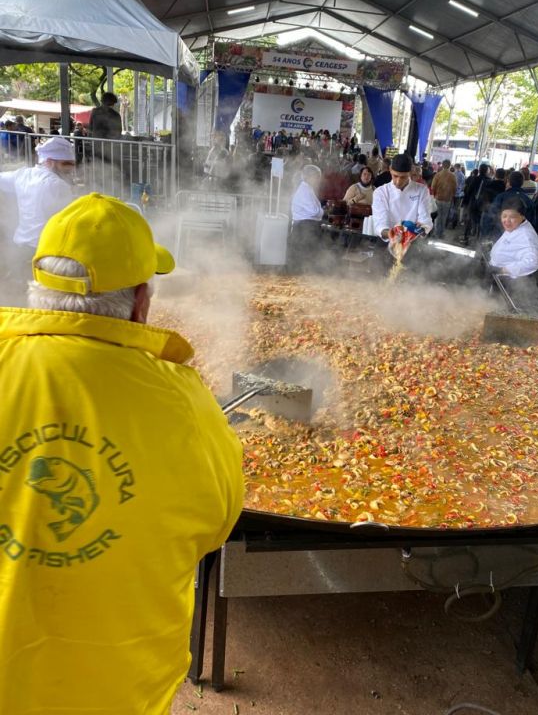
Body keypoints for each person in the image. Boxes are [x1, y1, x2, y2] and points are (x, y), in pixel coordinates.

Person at [0, 193, 244, 715]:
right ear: (140, 301)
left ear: (38, 287)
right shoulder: (185, 404)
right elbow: (217, 523)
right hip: (116, 689)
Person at [0, 136, 75, 285]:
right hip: (44, 249)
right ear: (49, 162)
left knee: (20, 287)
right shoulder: (57, 185)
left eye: (71, 164)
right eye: (65, 164)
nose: (70, 169)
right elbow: (68, 219)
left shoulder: (22, 175)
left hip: (20, 245)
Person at [372, 153, 433, 243]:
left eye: (403, 177)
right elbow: (380, 223)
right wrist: (392, 233)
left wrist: (421, 229)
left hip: (413, 242)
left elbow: (425, 219)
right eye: (395, 176)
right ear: (390, 170)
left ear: (411, 173)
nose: (398, 181)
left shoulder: (422, 190)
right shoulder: (381, 192)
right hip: (388, 242)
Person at [490, 198, 538, 279]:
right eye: (504, 216)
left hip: (512, 283)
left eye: (512, 217)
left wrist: (503, 270)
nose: (507, 220)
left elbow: (533, 262)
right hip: (499, 277)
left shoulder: (526, 235)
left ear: (523, 216)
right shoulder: (514, 227)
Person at [289, 164, 324, 272]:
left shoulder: (308, 189)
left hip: (306, 226)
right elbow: (315, 211)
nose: (318, 179)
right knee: (304, 258)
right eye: (316, 176)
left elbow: (316, 211)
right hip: (304, 227)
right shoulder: (305, 190)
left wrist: (320, 211)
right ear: (309, 177)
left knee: (306, 258)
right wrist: (322, 211)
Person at [430, 159, 456, 238]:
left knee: (437, 216)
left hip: (438, 198)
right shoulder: (452, 176)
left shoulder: (438, 175)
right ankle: (441, 233)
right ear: (449, 165)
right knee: (444, 217)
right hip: (447, 199)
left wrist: (434, 195)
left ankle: (436, 233)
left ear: (442, 165)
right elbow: (454, 188)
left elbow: (432, 187)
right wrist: (451, 196)